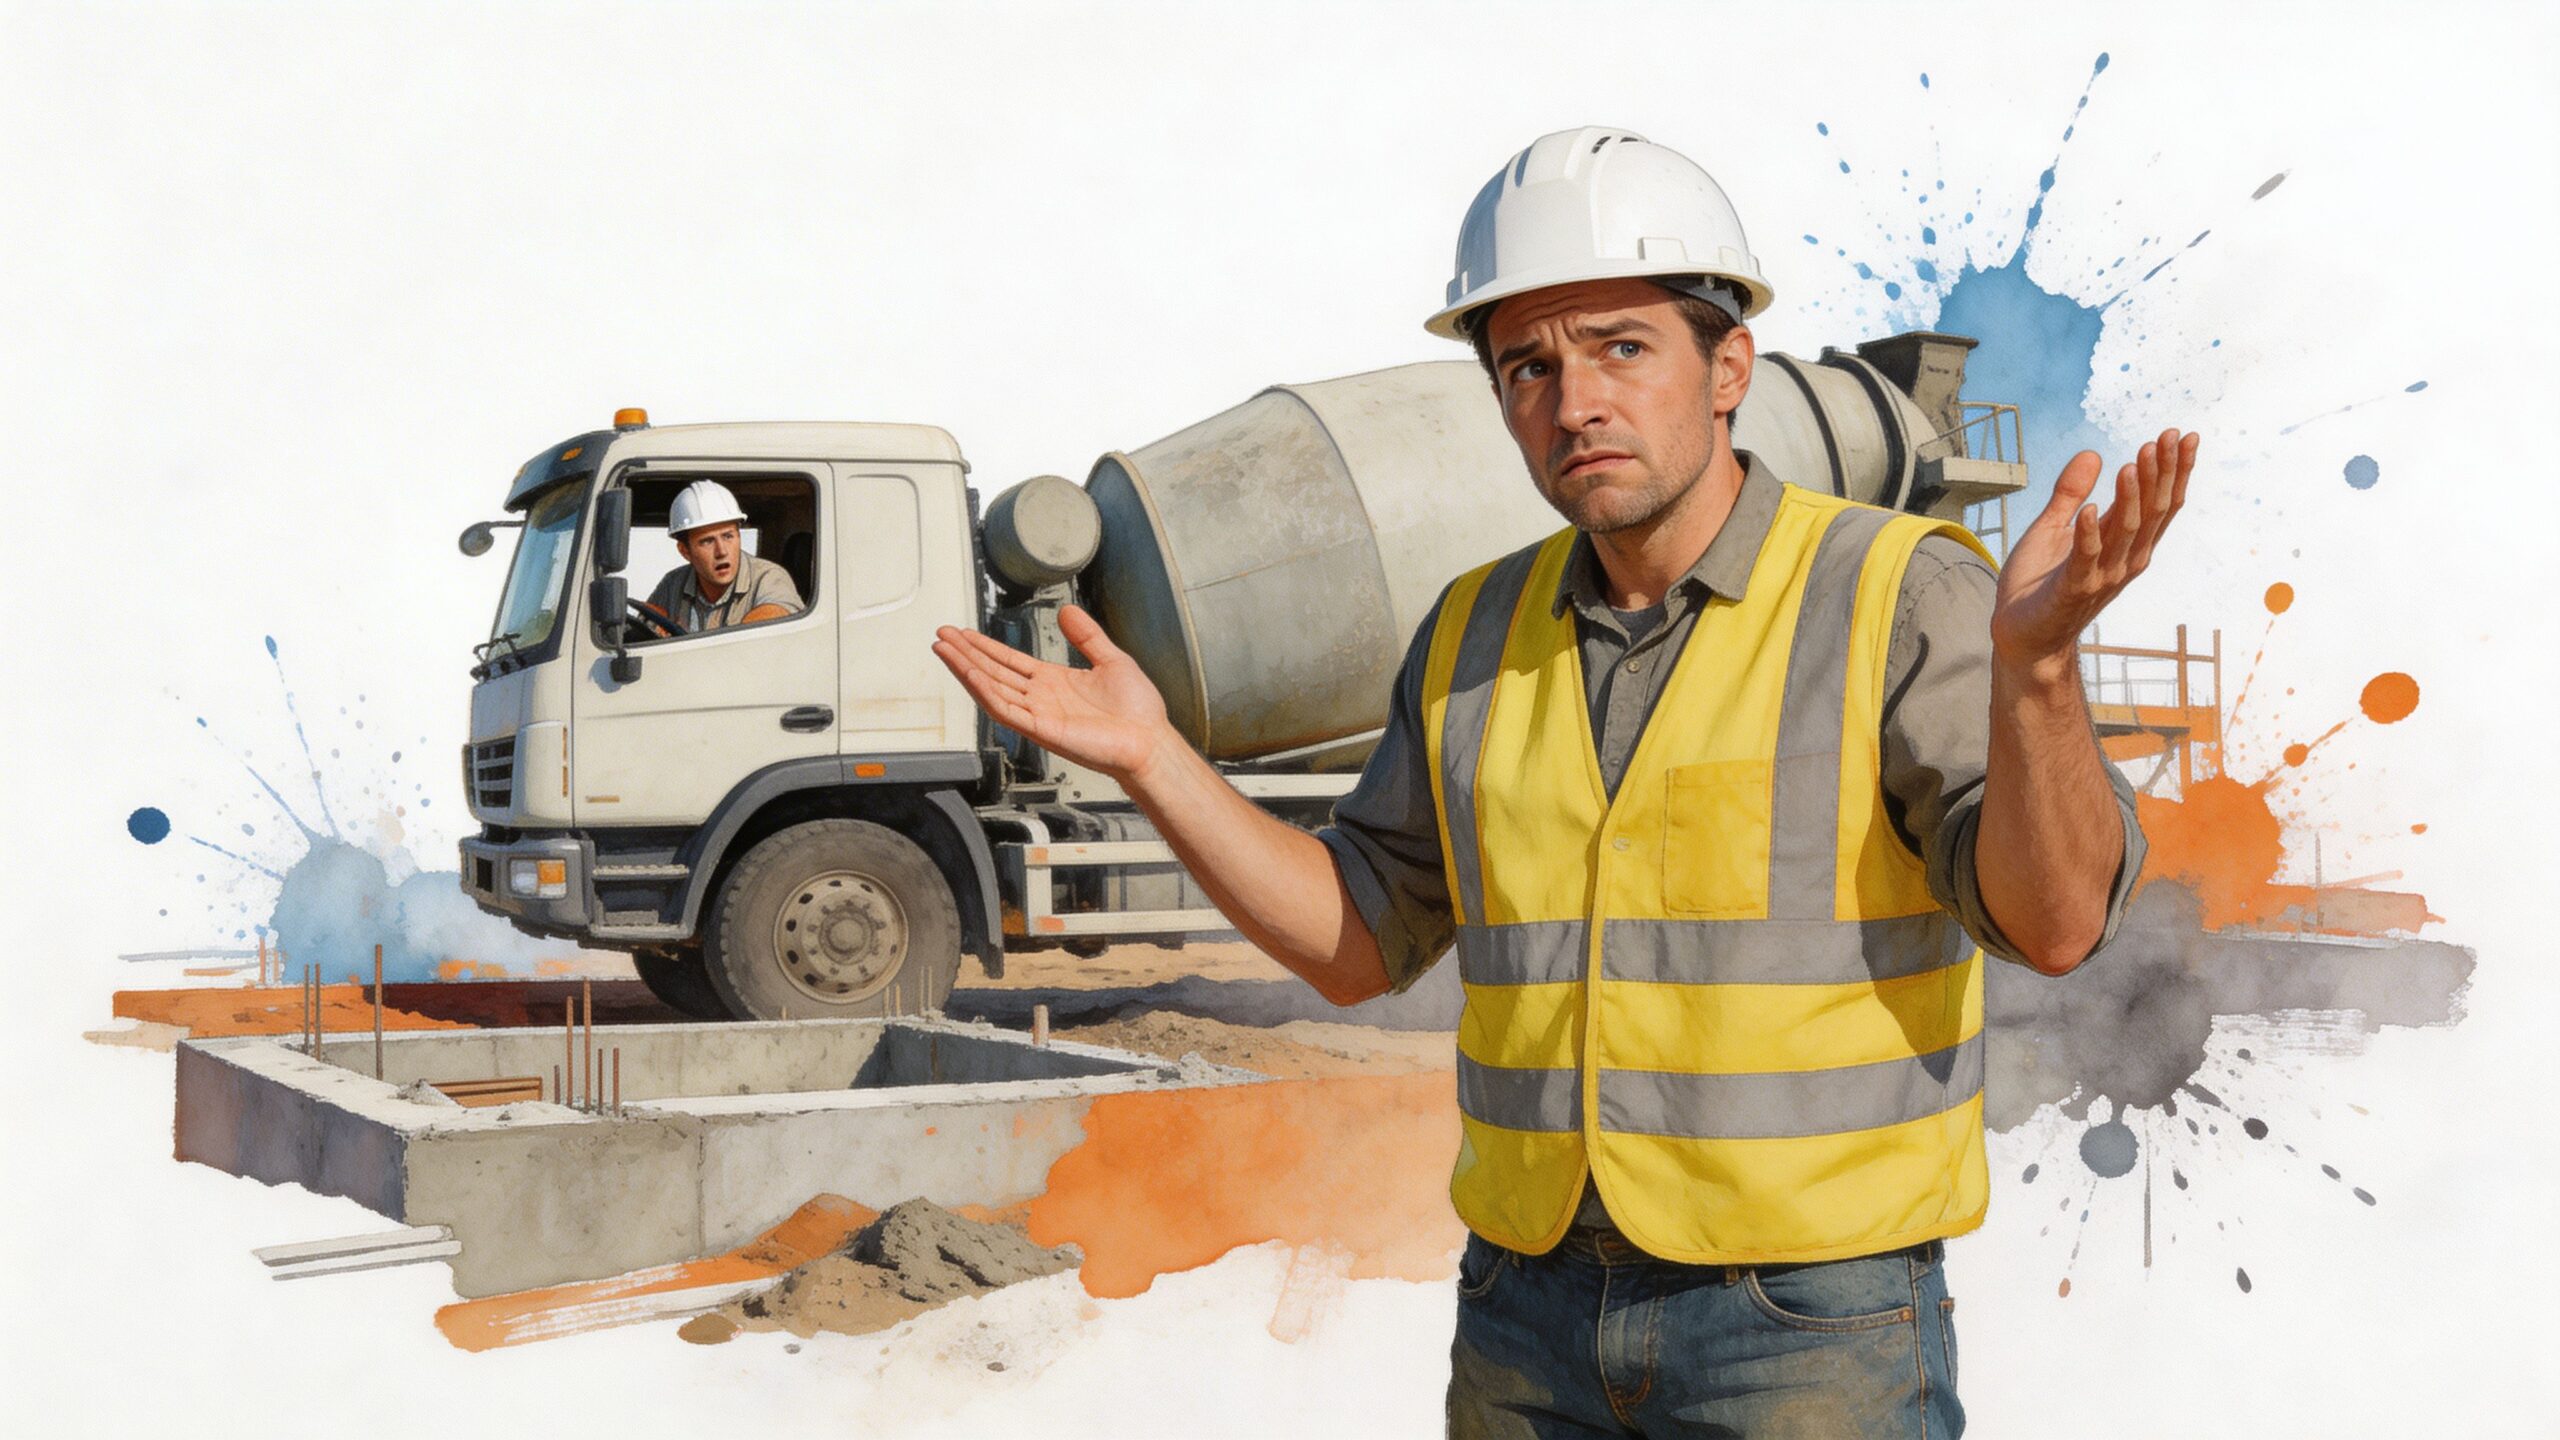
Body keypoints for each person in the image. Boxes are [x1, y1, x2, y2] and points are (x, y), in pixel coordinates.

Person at [934, 126, 2191, 1438]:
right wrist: (1155, 757)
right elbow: (1357, 945)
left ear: (1729, 370)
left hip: (1806, 1330)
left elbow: (2051, 924)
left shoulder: (1895, 590)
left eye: (1622, 348)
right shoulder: (1474, 633)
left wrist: (2038, 671)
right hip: (1526, 1317)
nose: (1573, 401)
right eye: (1526, 367)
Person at [643, 479, 803, 633]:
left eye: (728, 536)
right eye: (707, 541)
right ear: (685, 551)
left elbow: (776, 615)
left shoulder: (768, 577)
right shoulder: (673, 583)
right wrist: (654, 625)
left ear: (739, 536)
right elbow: (646, 626)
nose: (722, 551)